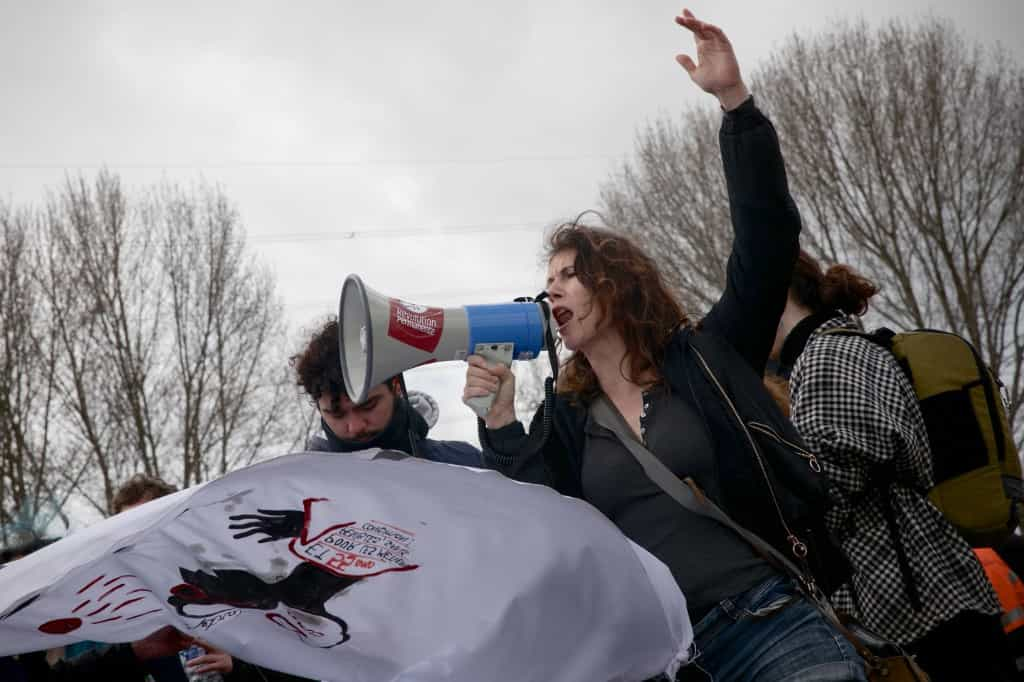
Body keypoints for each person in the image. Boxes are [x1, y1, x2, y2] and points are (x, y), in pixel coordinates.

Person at [463, 10, 864, 681]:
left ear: (617, 286)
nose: (552, 293)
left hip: (767, 622)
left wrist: (736, 107)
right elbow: (540, 524)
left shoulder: (706, 356)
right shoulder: (564, 419)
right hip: (668, 662)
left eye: (569, 275)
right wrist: (500, 423)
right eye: (546, 283)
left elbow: (765, 239)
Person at [772, 250, 1016, 681]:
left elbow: (831, 482)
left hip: (915, 602)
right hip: (934, 586)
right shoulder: (843, 347)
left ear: (780, 294)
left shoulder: (823, 357)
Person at [292, 316, 481, 466]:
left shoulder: (465, 465)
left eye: (368, 406)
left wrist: (501, 434)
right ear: (318, 409)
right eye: (337, 414)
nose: (356, 427)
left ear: (396, 386)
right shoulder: (297, 491)